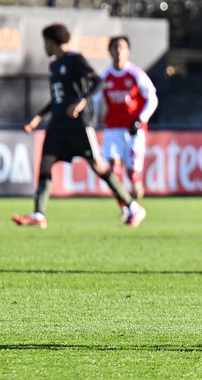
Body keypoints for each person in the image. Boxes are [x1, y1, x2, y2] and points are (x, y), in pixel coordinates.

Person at [12, 23, 146, 229]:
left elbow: (98, 82)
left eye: (45, 42)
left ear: (52, 42)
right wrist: (39, 117)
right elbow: (57, 99)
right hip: (57, 124)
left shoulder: (74, 60)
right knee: (45, 163)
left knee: (98, 165)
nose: (44, 47)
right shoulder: (54, 66)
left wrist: (82, 100)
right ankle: (39, 213)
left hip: (78, 124)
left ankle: (132, 206)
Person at [94, 36, 158, 208]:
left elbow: (152, 99)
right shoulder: (105, 76)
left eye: (122, 47)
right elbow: (95, 101)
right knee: (114, 171)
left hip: (134, 131)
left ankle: (135, 203)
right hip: (113, 129)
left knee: (134, 179)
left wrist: (140, 119)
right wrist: (90, 121)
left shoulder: (136, 74)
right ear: (109, 51)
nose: (118, 51)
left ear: (128, 51)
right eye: (115, 47)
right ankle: (126, 208)